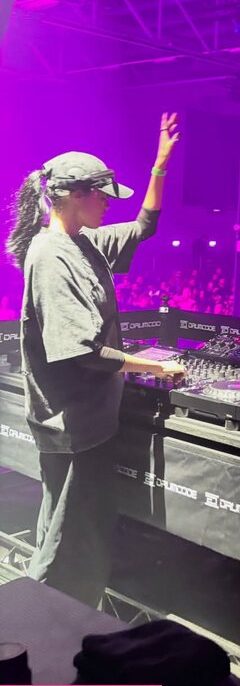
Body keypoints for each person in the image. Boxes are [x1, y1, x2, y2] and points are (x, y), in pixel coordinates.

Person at [5, 113, 185, 607]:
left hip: (88, 424)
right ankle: (42, 630)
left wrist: (160, 163)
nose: (109, 204)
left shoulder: (82, 242)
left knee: (68, 531)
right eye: (102, 195)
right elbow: (82, 352)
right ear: (74, 195)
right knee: (71, 546)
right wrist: (157, 367)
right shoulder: (52, 256)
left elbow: (144, 225)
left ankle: (53, 620)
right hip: (74, 427)